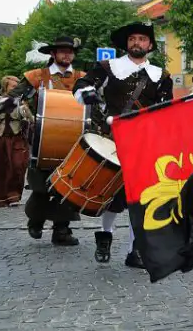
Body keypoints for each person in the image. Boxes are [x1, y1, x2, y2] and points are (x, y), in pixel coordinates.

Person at [73, 22, 173, 268]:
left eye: (142, 39)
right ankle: (105, 235)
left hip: (143, 143)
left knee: (139, 198)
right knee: (112, 194)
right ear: (127, 44)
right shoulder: (109, 67)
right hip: (111, 139)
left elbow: (165, 110)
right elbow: (83, 87)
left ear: (150, 45)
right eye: (132, 39)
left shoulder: (162, 76)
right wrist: (102, 115)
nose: (137, 43)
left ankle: (134, 250)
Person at [6, 36, 85, 245]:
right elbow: (13, 97)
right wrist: (11, 107)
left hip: (73, 140)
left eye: (70, 51)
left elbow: (95, 105)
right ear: (53, 54)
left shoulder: (81, 78)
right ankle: (36, 219)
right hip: (43, 139)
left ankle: (62, 231)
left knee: (67, 188)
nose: (67, 55)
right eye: (62, 51)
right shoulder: (37, 77)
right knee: (42, 185)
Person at [0, 76, 33, 207]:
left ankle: (13, 195)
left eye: (17, 86)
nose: (15, 89)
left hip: (17, 138)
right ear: (5, 87)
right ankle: (0, 199)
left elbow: (31, 120)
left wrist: (26, 111)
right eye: (12, 86)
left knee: (18, 166)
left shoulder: (21, 102)